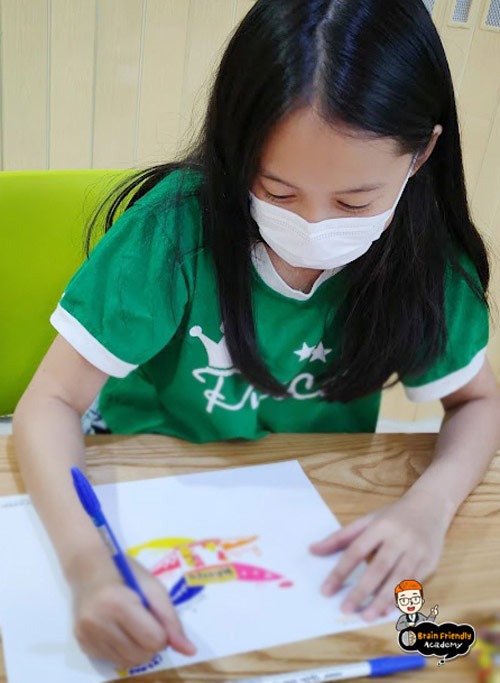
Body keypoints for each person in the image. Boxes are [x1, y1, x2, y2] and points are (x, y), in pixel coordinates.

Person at [13, 0, 500, 671]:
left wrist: (429, 506)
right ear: (236, 146)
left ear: (422, 154)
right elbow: (49, 402)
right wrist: (85, 564)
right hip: (149, 467)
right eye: (277, 191)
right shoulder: (173, 233)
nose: (314, 227)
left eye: (355, 202)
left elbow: (479, 402)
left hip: (309, 505)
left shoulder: (422, 262)